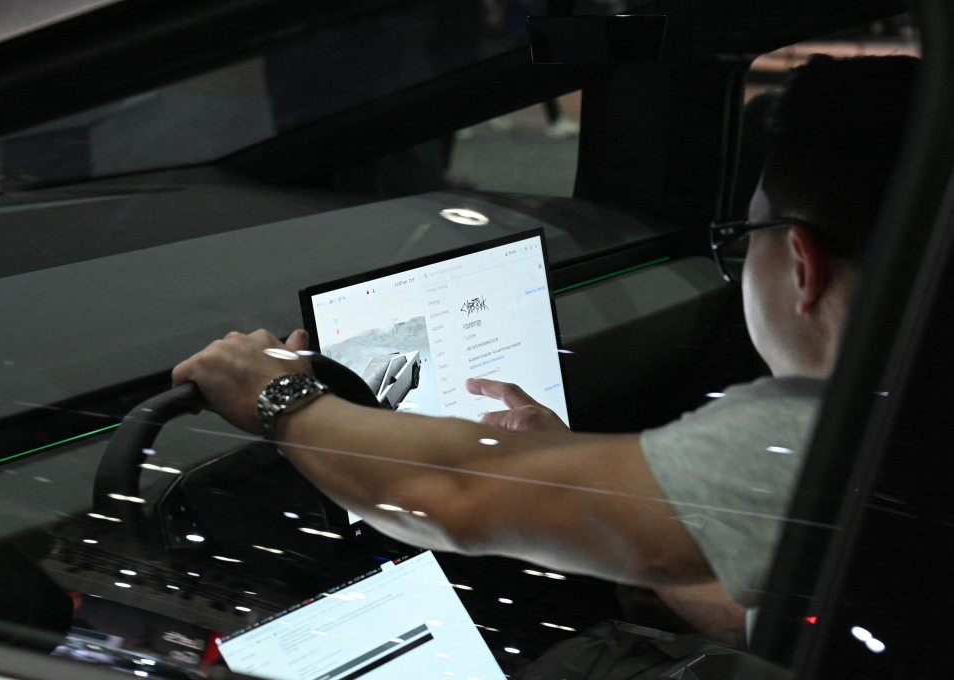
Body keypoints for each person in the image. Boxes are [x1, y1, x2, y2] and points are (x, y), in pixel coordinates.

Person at [172, 55, 919, 630]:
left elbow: (453, 496)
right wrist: (592, 488)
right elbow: (782, 618)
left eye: (745, 234)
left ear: (802, 264)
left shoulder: (820, 432)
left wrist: (274, 392)